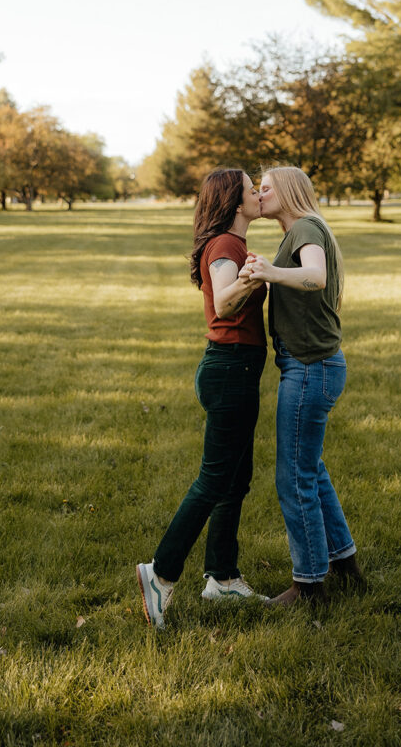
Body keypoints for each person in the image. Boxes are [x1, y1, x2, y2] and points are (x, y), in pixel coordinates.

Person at [137, 168, 268, 629]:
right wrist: (255, 275)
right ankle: (161, 572)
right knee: (214, 480)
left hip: (236, 367)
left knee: (235, 479)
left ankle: (223, 578)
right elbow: (226, 304)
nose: (259, 194)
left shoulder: (230, 243)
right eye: (253, 189)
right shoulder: (227, 245)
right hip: (230, 368)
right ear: (235, 201)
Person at [242, 166, 364, 605]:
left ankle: (309, 585)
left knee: (294, 475)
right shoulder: (296, 231)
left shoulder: (307, 228)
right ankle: (345, 564)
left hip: (311, 367)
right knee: (310, 469)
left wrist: (271, 273)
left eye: (267, 187)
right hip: (316, 365)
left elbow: (315, 277)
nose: (259, 193)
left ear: (289, 191)